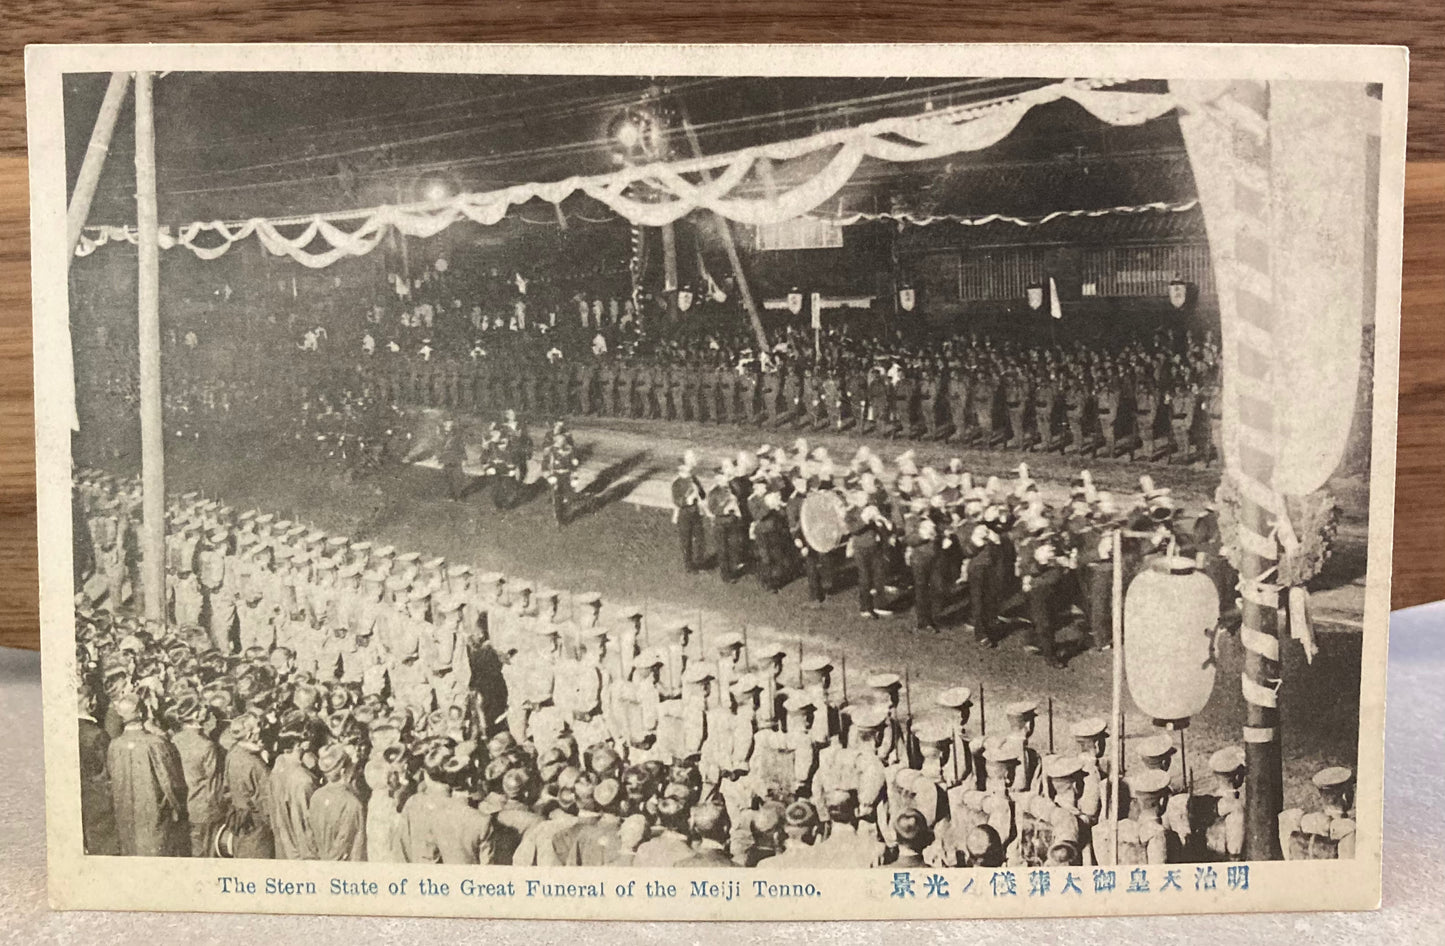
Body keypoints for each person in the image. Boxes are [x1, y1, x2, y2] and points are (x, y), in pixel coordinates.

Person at [105, 693, 189, 857]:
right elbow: (169, 781)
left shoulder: (114, 745)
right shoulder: (155, 743)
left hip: (125, 812)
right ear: (142, 713)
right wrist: (177, 808)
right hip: (153, 811)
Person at [308, 743, 367, 861]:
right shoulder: (352, 803)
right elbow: (344, 843)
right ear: (343, 771)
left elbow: (309, 836)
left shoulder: (316, 796)